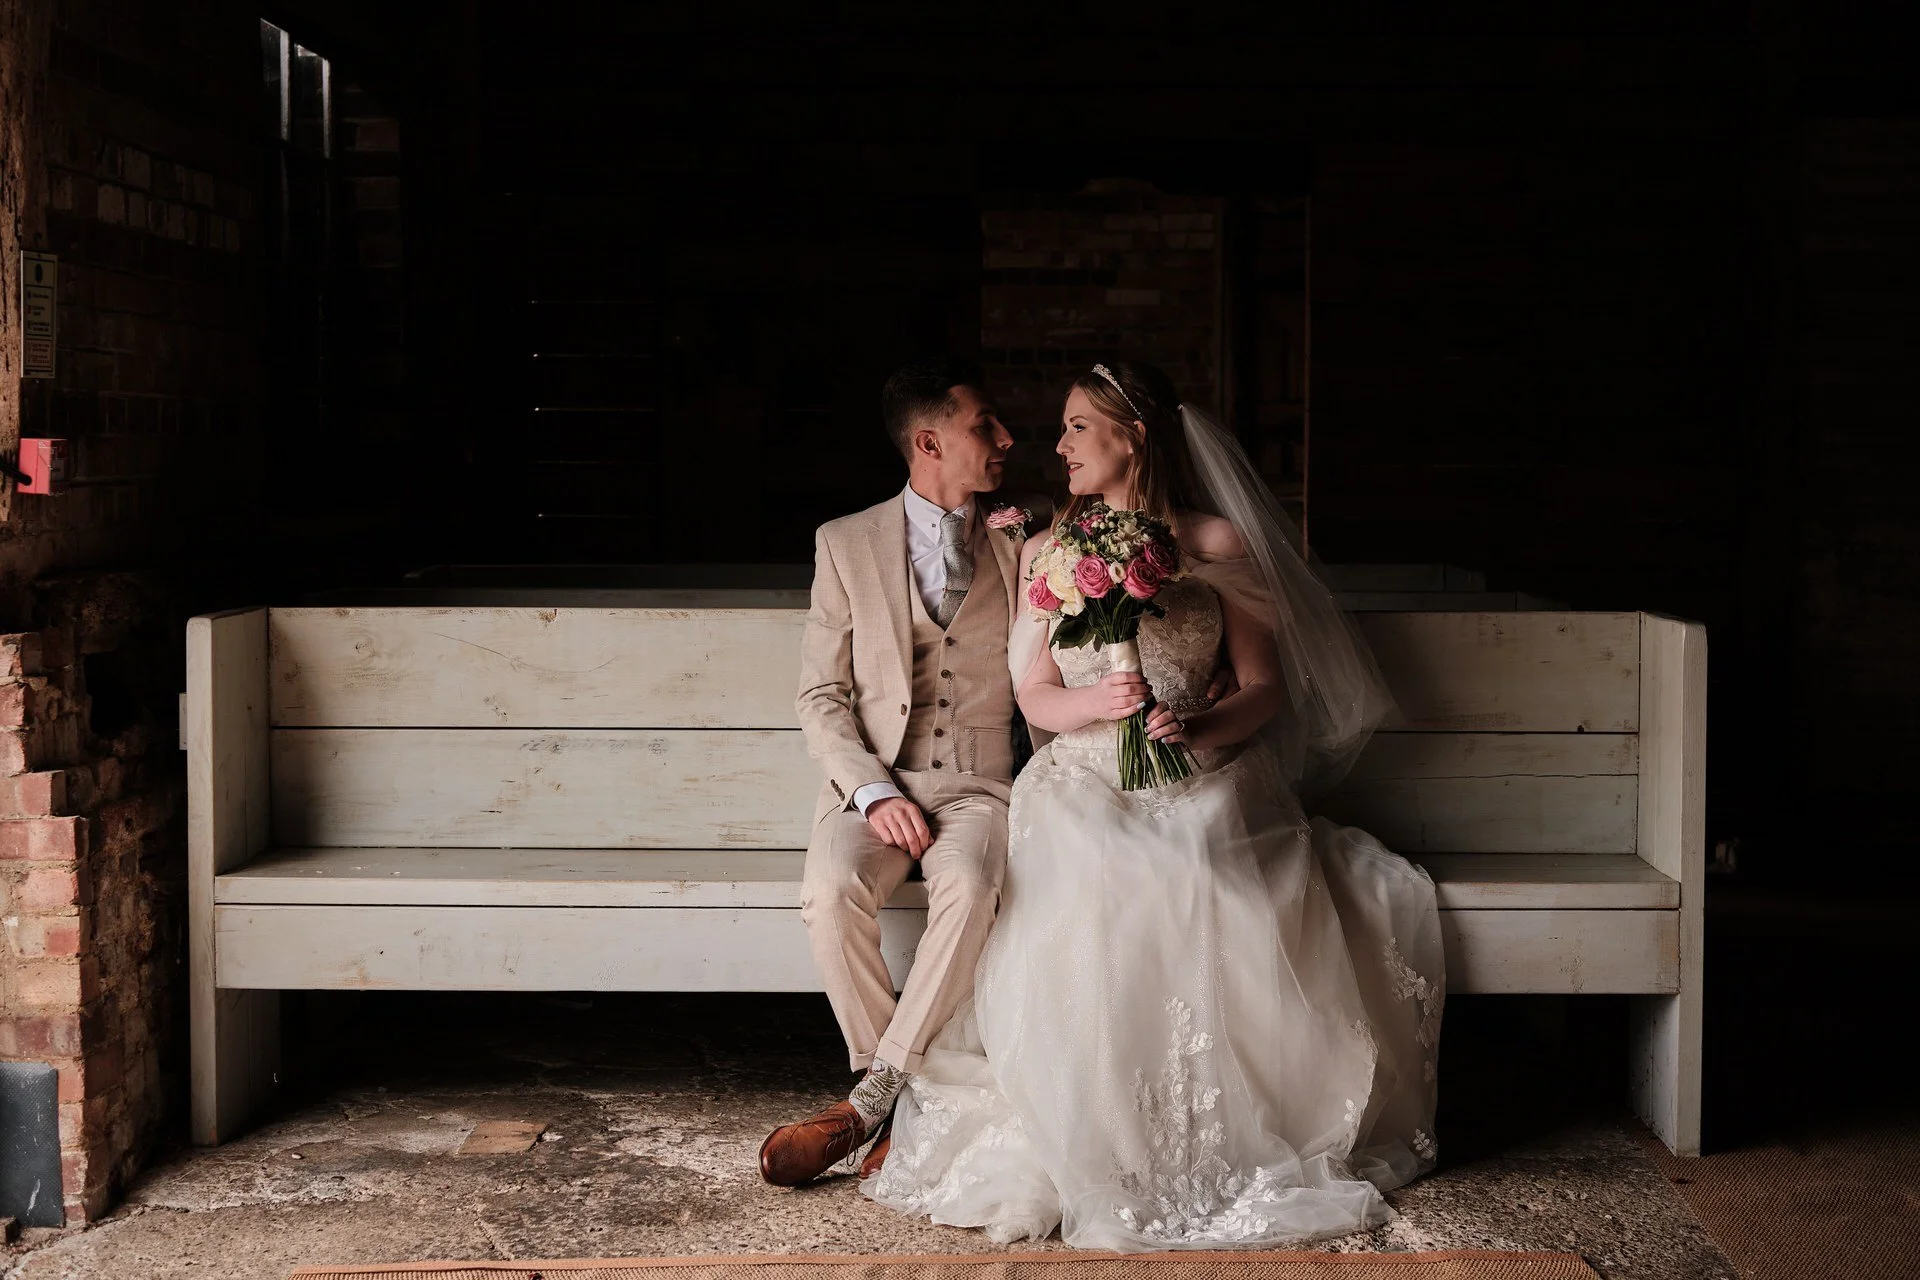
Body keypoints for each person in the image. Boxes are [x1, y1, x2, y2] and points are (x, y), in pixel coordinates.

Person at [863, 360, 1446, 1249]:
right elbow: (1034, 693)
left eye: (1075, 428)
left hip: (1202, 773)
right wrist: (1092, 709)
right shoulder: (1051, 547)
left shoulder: (1218, 543)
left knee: (1205, 878)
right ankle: (1094, 1129)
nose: (1055, 445)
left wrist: (1205, 727)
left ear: (1132, 436)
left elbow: (1263, 688)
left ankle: (1213, 1132)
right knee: (1096, 874)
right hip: (1084, 775)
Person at [759, 358, 1031, 1186]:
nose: (1006, 438)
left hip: (984, 784)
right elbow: (820, 695)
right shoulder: (844, 543)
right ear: (929, 440)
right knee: (827, 893)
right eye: (986, 424)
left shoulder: (1030, 535)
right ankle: (898, 1098)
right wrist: (872, 790)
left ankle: (868, 1103)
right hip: (874, 782)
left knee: (972, 890)